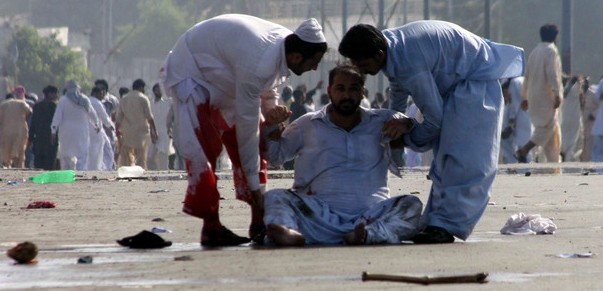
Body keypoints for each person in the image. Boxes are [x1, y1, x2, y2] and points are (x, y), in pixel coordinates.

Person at [338, 21, 524, 243]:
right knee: (445, 162)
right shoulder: (388, 45)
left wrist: (406, 138)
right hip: (456, 86)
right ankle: (437, 221)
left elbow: (434, 119)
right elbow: (398, 88)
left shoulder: (407, 60)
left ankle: (447, 226)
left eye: (362, 64)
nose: (360, 71)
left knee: (464, 162)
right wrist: (393, 120)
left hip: (474, 87)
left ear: (378, 55)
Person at [160, 14, 327, 247]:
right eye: (314, 62)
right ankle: (212, 225)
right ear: (297, 56)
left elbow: (269, 87)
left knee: (258, 144)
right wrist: (255, 188)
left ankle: (259, 223)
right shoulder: (259, 62)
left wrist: (272, 115)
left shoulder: (283, 46)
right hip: (193, 71)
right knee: (204, 150)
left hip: (226, 76)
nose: (315, 68)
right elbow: (247, 133)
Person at [263, 63, 422, 246]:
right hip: (317, 217)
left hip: (370, 216)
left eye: (353, 89)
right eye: (340, 89)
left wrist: (407, 123)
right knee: (275, 196)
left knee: (412, 204)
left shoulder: (381, 120)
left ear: (362, 93)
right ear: (330, 92)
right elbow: (275, 156)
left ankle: (368, 235)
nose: (346, 95)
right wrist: (271, 127)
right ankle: (287, 232)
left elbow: (414, 125)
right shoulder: (307, 124)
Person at [516, 24, 563, 163]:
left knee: (552, 134)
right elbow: (552, 74)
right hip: (547, 98)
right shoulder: (551, 51)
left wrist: (525, 96)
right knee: (546, 128)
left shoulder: (535, 51)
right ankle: (524, 150)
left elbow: (527, 75)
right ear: (555, 37)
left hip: (534, 97)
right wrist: (557, 94)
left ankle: (553, 166)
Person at [51, 80, 100, 170]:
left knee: (65, 155)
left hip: (66, 131)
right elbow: (92, 114)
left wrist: (53, 131)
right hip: (81, 131)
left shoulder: (63, 100)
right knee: (82, 155)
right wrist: (96, 124)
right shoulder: (84, 100)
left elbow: (57, 117)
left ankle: (66, 172)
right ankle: (80, 171)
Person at [115, 78, 158, 169]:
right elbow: (149, 117)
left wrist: (117, 130)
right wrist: (154, 131)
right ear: (141, 87)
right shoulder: (143, 98)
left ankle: (127, 173)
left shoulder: (124, 99)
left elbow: (118, 118)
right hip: (141, 133)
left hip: (127, 132)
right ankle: (140, 173)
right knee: (141, 157)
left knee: (126, 157)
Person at [0, 86, 33, 168]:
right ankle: (19, 168)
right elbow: (30, 112)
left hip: (6, 133)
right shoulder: (22, 103)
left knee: (6, 155)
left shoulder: (2, 105)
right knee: (20, 154)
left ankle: (7, 168)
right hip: (20, 132)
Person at [28, 85, 59, 170]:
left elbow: (33, 123)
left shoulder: (37, 106)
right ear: (50, 94)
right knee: (49, 165)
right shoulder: (55, 106)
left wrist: (30, 138)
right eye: (56, 93)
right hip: (51, 140)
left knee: (38, 165)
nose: (57, 96)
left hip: (39, 140)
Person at [88, 86, 115, 170]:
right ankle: (106, 168)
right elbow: (104, 116)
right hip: (98, 130)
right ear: (95, 94)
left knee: (92, 150)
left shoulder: (86, 101)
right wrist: (110, 126)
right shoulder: (97, 102)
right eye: (100, 94)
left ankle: (97, 167)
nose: (102, 96)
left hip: (87, 130)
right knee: (105, 150)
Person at [148, 83, 172, 170]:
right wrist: (152, 132)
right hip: (153, 133)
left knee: (163, 157)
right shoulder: (150, 104)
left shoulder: (167, 103)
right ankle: (154, 174)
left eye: (161, 90)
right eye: (157, 90)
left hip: (164, 133)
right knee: (150, 157)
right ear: (154, 91)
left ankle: (164, 177)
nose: (159, 91)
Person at [560, 75, 584, 162]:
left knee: (566, 140)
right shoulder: (572, 91)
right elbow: (577, 86)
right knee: (572, 142)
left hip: (564, 120)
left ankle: (564, 156)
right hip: (573, 120)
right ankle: (567, 159)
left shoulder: (563, 91)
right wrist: (579, 80)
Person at [581, 77, 599, 162]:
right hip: (580, 124)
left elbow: (600, 107)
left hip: (590, 124)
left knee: (588, 147)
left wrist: (593, 114)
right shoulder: (578, 95)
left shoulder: (593, 95)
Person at [591, 77, 603, 162]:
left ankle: (599, 171)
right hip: (600, 125)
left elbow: (597, 97)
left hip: (600, 126)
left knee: (597, 152)